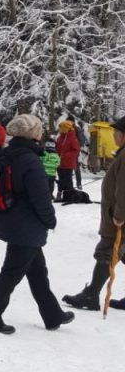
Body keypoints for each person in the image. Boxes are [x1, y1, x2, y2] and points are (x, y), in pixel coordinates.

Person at [0, 114, 74, 335]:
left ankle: (53, 314)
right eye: (39, 129)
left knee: (37, 271)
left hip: (12, 219)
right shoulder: (29, 159)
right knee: (11, 273)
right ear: (32, 134)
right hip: (26, 224)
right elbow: (41, 197)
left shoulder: (9, 153)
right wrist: (50, 220)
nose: (41, 133)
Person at [63, 116, 125, 311]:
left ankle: (91, 296)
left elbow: (124, 188)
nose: (114, 135)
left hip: (117, 217)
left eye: (116, 132)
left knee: (107, 250)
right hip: (116, 213)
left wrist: (120, 214)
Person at [54, 119, 81, 202]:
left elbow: (76, 150)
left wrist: (65, 155)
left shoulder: (72, 138)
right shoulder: (60, 137)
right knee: (61, 179)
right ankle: (59, 194)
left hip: (68, 163)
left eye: (61, 128)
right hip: (59, 162)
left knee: (67, 180)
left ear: (66, 128)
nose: (59, 129)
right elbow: (57, 148)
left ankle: (69, 196)